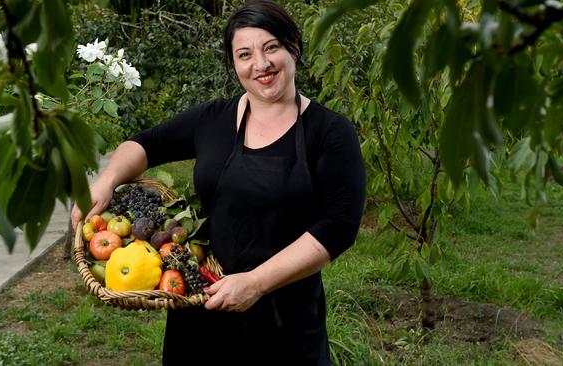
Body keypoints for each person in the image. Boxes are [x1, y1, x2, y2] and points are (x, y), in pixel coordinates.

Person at [71, 0, 365, 364]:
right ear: (234, 65)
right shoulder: (214, 119)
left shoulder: (331, 132)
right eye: (244, 54)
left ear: (294, 48)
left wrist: (255, 283)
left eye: (271, 47)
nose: (261, 64)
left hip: (283, 322)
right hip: (201, 308)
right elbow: (143, 145)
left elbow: (339, 227)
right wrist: (106, 180)